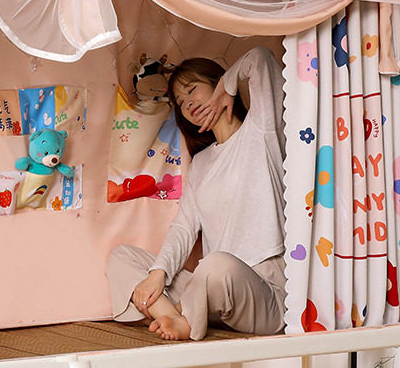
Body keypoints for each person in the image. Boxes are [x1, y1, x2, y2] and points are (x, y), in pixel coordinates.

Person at [106, 45, 286, 341]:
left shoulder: (261, 131)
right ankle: (178, 317)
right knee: (122, 257)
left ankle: (182, 317)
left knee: (217, 264)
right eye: (180, 101)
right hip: (209, 295)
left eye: (192, 90)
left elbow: (261, 60)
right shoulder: (201, 163)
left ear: (218, 83)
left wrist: (228, 85)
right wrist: (158, 274)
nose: (187, 103)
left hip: (261, 294)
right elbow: (184, 228)